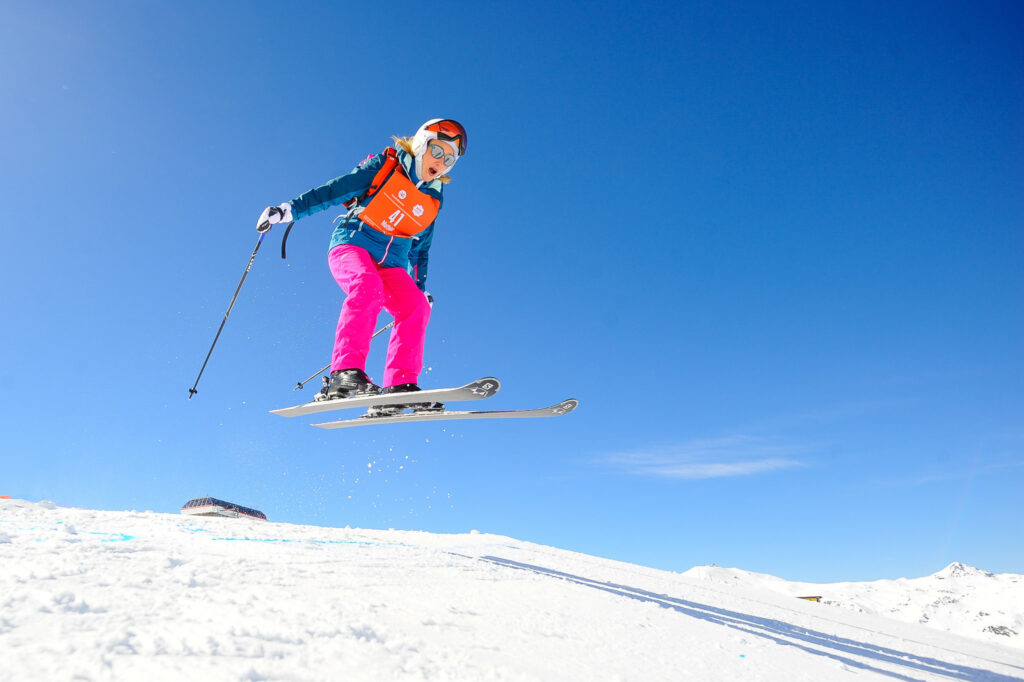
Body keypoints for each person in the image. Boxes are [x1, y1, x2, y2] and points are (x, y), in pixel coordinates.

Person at [256, 119, 467, 414]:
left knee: (415, 307)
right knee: (368, 288)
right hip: (352, 245)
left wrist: (420, 290)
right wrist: (290, 209)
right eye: (436, 150)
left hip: (392, 265)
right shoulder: (385, 167)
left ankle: (400, 386)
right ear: (421, 144)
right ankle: (344, 376)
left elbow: (420, 251)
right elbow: (335, 190)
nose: (440, 161)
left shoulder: (432, 199)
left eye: (449, 158)